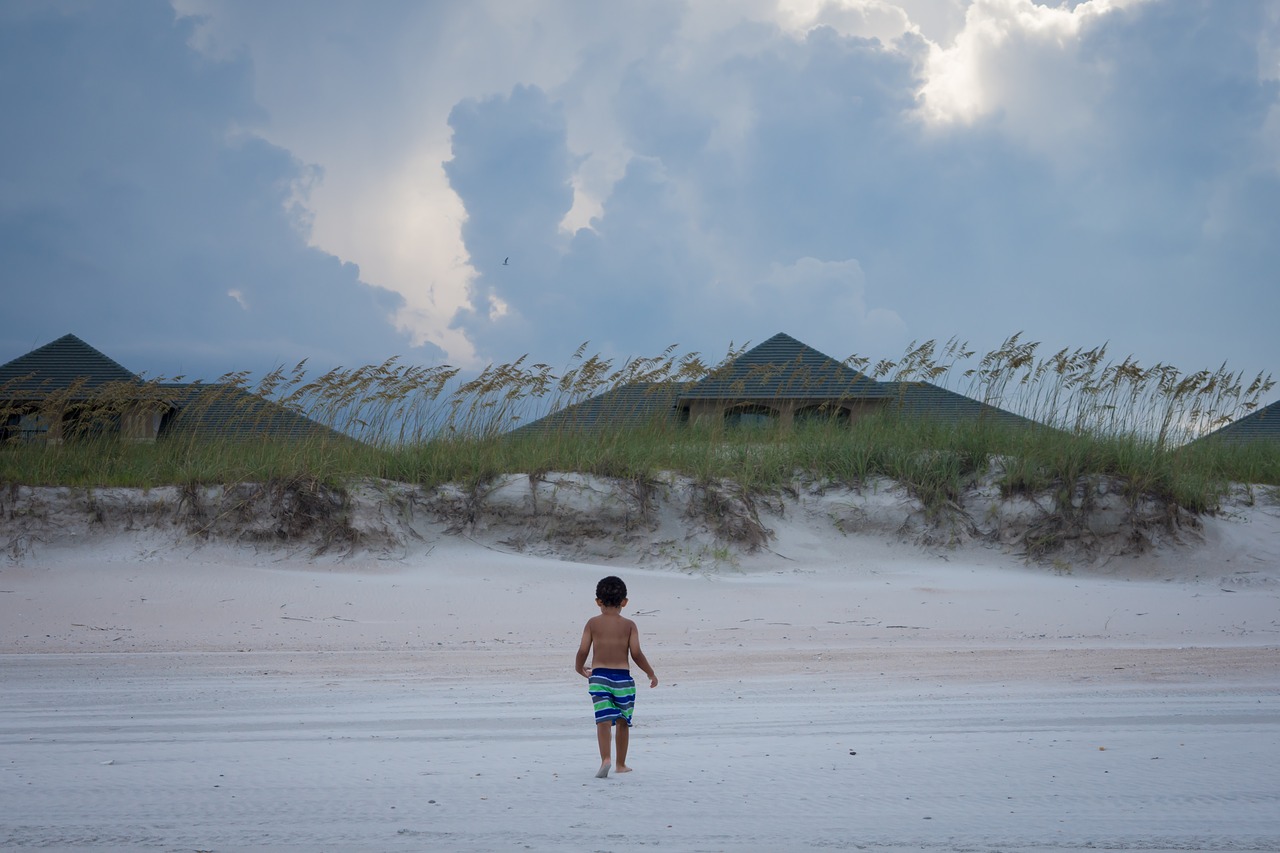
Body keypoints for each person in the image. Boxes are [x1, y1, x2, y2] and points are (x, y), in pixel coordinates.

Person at [574, 575, 658, 778]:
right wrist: (650, 673)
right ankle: (621, 764)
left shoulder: (592, 623)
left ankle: (605, 759)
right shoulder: (629, 625)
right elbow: (636, 654)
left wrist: (579, 668)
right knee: (623, 721)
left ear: (598, 602)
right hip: (623, 679)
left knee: (602, 719)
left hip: (599, 676)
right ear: (624, 602)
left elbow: (583, 650)